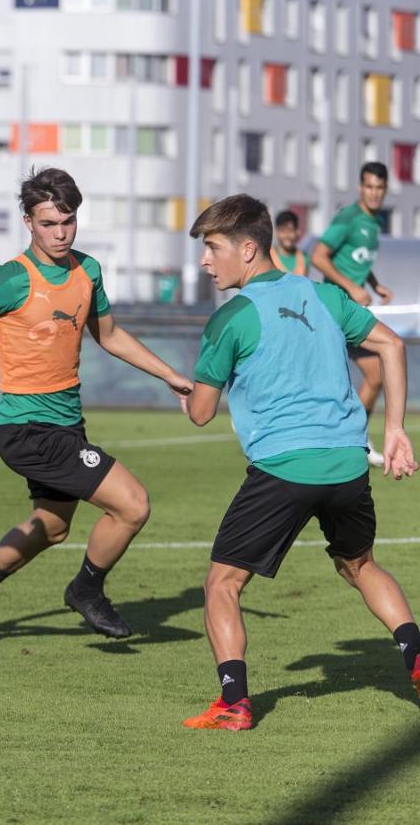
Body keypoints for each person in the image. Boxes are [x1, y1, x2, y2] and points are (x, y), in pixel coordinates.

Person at [0, 167, 193, 645]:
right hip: (26, 429)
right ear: (28, 221)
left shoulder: (87, 270)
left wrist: (171, 376)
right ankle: (86, 589)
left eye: (68, 221)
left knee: (51, 526)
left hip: (66, 424)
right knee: (133, 505)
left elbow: (110, 335)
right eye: (49, 223)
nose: (60, 233)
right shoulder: (8, 279)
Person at [182, 194, 419, 731]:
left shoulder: (232, 318)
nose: (204, 260)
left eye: (212, 248)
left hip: (284, 470)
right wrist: (396, 429)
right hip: (346, 465)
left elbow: (200, 412)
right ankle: (417, 655)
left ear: (247, 249)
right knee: (360, 565)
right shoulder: (323, 295)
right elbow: (393, 347)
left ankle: (234, 704)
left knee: (222, 584)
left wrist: (189, 391)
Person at [311, 162, 394, 467]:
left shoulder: (373, 224)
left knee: (376, 375)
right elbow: (318, 255)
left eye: (379, 188)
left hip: (350, 310)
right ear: (361, 187)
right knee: (325, 381)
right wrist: (351, 288)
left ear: (385, 190)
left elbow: (357, 260)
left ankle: (354, 438)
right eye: (369, 187)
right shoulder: (349, 218)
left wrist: (375, 284)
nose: (374, 193)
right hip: (334, 310)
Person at [270, 210, 308, 276]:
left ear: (297, 231)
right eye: (282, 230)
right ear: (276, 232)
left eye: (290, 230)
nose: (287, 235)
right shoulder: (268, 256)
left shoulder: (304, 258)